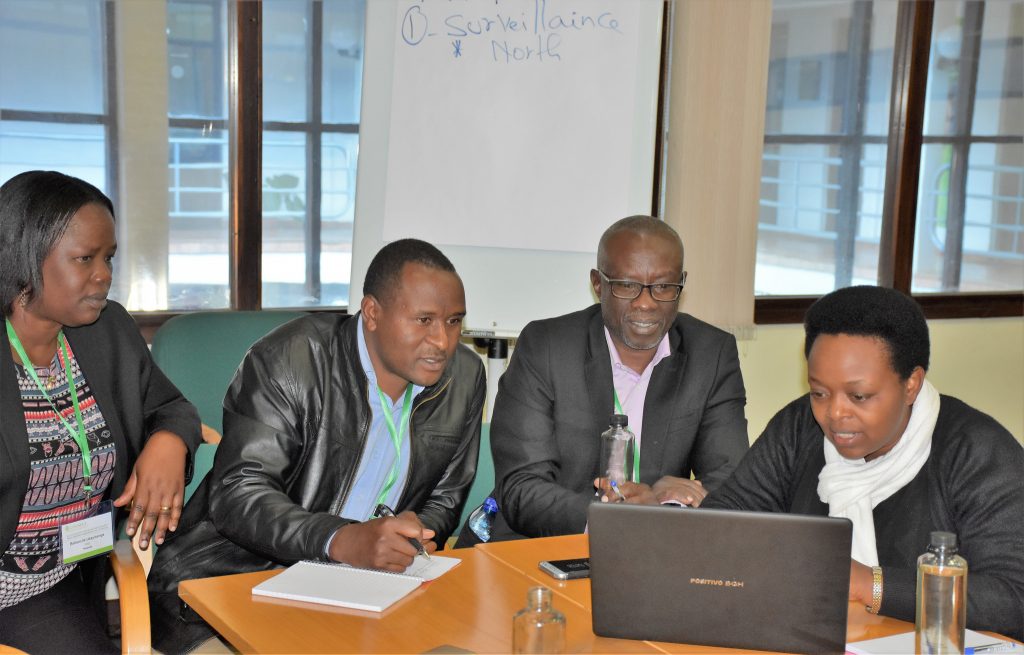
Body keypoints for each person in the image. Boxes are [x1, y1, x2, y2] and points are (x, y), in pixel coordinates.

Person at [149, 238, 486, 653]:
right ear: (373, 313)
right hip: (235, 584)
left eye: (454, 322)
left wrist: (410, 538)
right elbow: (239, 495)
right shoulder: (290, 360)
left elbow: (446, 497)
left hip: (372, 590)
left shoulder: (465, 377)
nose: (442, 341)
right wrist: (341, 540)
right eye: (423, 320)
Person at [703, 285, 1024, 640]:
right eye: (819, 393)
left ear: (911, 384)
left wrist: (869, 585)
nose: (835, 413)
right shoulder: (798, 429)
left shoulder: (977, 452)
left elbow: (1012, 599)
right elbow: (721, 526)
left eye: (859, 396)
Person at [0, 171, 203, 653]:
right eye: (84, 259)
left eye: (108, 257)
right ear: (25, 257)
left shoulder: (106, 330)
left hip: (43, 588)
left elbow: (172, 407)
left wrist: (168, 444)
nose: (104, 274)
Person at [456, 215, 749, 546]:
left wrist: (666, 506)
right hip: (543, 546)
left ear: (681, 284)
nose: (646, 303)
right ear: (598, 284)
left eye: (664, 287)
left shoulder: (710, 353)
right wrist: (620, 516)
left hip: (656, 552)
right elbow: (521, 486)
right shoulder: (547, 347)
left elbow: (731, 480)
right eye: (627, 285)